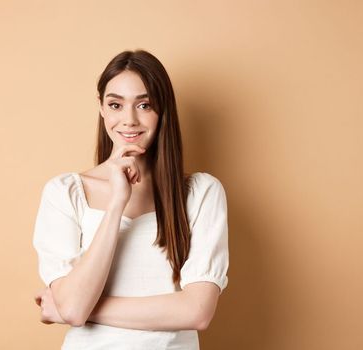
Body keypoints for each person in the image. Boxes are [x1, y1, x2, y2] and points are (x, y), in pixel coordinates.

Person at [31, 49, 229, 349]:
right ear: (101, 108)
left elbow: (198, 312)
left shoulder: (200, 193)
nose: (129, 120)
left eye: (144, 104)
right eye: (115, 105)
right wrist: (115, 205)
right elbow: (72, 307)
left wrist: (77, 309)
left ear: (163, 109)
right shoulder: (66, 192)